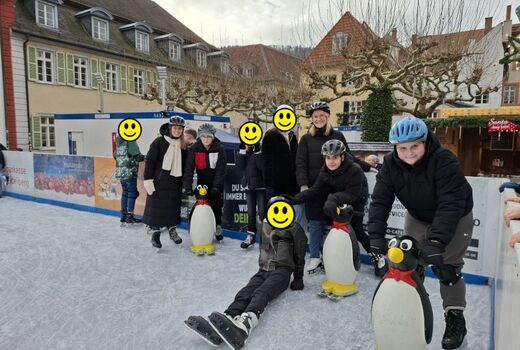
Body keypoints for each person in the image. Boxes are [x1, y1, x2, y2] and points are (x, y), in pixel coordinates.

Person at [368, 116, 473, 350]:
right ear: (395, 148)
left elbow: (450, 203)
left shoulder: (444, 161)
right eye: (403, 148)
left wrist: (437, 240)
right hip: (417, 216)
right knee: (409, 265)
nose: (409, 153)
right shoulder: (391, 167)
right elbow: (380, 201)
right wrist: (374, 235)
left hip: (456, 216)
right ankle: (408, 312)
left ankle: (455, 318)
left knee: (447, 268)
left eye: (415, 146)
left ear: (426, 141)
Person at [184, 196, 307, 350]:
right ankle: (225, 320)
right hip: (263, 269)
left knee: (262, 292)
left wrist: (299, 277)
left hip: (282, 271)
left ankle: (244, 326)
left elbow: (299, 254)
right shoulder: (265, 226)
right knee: (245, 292)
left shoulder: (294, 229)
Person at [295, 101, 385, 275]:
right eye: (315, 116)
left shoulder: (337, 135)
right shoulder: (305, 139)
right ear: (312, 119)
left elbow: (349, 157)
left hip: (339, 190)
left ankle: (374, 256)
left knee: (352, 227)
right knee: (315, 223)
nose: (318, 119)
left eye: (322, 115)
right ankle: (315, 257)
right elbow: (300, 163)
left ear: (327, 116)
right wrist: (304, 185)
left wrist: (369, 167)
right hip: (317, 187)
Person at [143, 116, 188, 249]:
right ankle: (155, 234)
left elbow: (186, 167)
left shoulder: (184, 146)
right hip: (159, 182)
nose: (177, 131)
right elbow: (150, 163)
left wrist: (185, 183)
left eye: (180, 129)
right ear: (169, 128)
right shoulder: (159, 142)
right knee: (156, 210)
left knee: (173, 209)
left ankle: (172, 231)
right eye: (175, 128)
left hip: (175, 182)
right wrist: (148, 180)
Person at [183, 123, 226, 241]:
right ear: (199, 137)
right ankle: (197, 227)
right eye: (203, 136)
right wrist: (187, 186)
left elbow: (221, 169)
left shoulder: (219, 149)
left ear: (212, 137)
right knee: (201, 205)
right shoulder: (194, 149)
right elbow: (189, 169)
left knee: (216, 206)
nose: (206, 139)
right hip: (202, 182)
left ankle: (217, 226)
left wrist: (216, 186)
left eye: (208, 137)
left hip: (216, 182)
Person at [262, 105, 304, 223]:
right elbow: (267, 163)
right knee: (280, 220)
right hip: (277, 186)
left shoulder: (292, 136)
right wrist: (269, 187)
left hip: (293, 186)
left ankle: (293, 240)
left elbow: (297, 159)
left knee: (296, 217)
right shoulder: (270, 136)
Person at [236, 140, 266, 249]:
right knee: (250, 213)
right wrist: (242, 150)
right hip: (249, 187)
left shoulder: (262, 150)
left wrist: (258, 151)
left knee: (263, 213)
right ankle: (251, 236)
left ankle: (265, 238)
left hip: (261, 187)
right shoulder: (245, 151)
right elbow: (240, 167)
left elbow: (263, 167)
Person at [113, 135, 145, 223]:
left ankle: (123, 215)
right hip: (129, 173)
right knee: (132, 193)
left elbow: (115, 156)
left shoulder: (119, 145)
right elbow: (138, 156)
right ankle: (130, 216)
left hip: (121, 174)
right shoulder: (131, 142)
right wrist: (148, 156)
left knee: (125, 193)